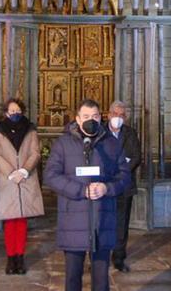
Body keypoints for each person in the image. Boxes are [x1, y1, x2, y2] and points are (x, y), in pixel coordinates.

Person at [44, 99, 131, 291]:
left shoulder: (111, 143)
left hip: (103, 219)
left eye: (94, 116)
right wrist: (81, 190)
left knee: (101, 280)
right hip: (73, 219)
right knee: (72, 279)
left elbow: (125, 176)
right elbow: (50, 175)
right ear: (77, 118)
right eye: (85, 116)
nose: (90, 120)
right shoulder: (63, 143)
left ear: (100, 117)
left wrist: (107, 188)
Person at [0, 98, 45, 275]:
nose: (15, 113)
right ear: (6, 112)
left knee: (21, 221)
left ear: (22, 111)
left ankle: (20, 257)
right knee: (9, 221)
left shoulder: (30, 129)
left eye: (17, 110)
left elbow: (35, 152)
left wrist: (23, 170)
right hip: (8, 180)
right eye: (11, 110)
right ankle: (10, 258)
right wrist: (11, 172)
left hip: (25, 179)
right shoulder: (0, 130)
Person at [106, 100, 141, 272]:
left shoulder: (130, 133)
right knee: (102, 222)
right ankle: (99, 257)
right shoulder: (100, 132)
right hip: (103, 186)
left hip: (123, 184)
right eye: (115, 114)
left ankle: (119, 258)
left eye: (122, 115)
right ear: (109, 115)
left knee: (121, 224)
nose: (118, 118)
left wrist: (120, 170)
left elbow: (136, 157)